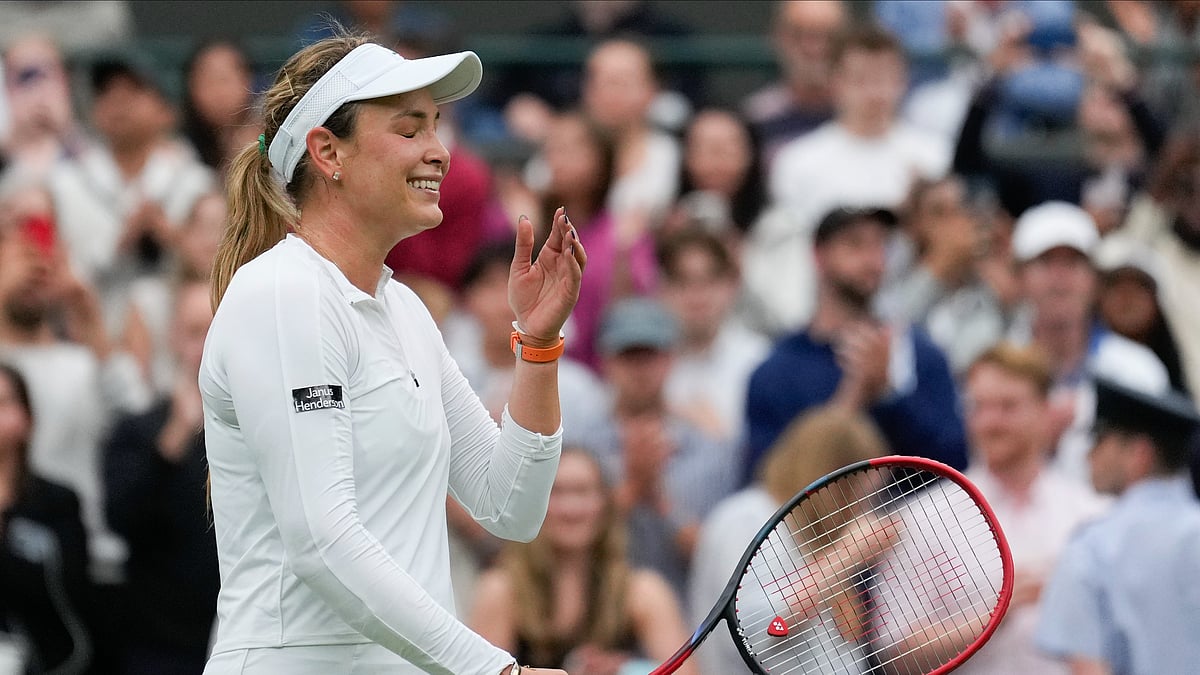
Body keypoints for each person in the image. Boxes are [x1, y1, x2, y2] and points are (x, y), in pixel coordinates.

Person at [200, 33, 585, 675]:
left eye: (437, 127)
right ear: (328, 153)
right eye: (410, 131)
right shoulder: (282, 292)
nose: (439, 152)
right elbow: (323, 544)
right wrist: (496, 670)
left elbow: (510, 506)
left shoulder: (403, 309)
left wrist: (538, 346)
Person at [877, 343, 1107, 674]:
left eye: (1007, 407)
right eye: (978, 407)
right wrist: (1000, 611)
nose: (989, 422)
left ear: (1045, 411)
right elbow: (894, 655)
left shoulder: (1090, 514)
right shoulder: (924, 516)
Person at [744, 207, 969, 484]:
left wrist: (889, 396)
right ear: (818, 255)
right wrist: (854, 395)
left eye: (880, 245)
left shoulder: (921, 352)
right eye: (855, 244)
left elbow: (952, 464)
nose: (872, 260)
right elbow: (770, 481)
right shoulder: (777, 371)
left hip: (902, 522)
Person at [689, 405, 889, 674]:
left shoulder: (814, 534)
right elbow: (760, 631)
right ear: (830, 479)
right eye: (857, 495)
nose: (863, 509)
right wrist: (846, 556)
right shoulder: (745, 519)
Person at [469, 447, 696, 675]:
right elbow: (481, 672)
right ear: (532, 503)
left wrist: (626, 669)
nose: (571, 508)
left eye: (583, 492)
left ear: (605, 504)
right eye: (556, 493)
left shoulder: (641, 591)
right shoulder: (502, 590)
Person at [574, 297, 740, 601]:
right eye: (629, 356)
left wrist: (660, 502)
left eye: (650, 355)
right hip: (596, 613)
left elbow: (721, 560)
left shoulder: (707, 449)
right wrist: (634, 489)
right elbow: (560, 550)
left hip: (685, 620)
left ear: (671, 359)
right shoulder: (580, 445)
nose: (640, 369)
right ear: (606, 361)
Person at [1036, 375, 1200, 674]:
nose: (1088, 454)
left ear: (1139, 454)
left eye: (1099, 439)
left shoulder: (1092, 548)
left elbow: (1089, 668)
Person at [103, 279, 218, 675]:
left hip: (244, 639)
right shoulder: (139, 431)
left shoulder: (263, 429)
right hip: (159, 646)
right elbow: (120, 519)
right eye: (194, 332)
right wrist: (173, 441)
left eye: (216, 330)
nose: (206, 346)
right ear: (172, 338)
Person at [0, 363, 96, 674]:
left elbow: (70, 595)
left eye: (2, 403)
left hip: (48, 660)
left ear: (26, 418)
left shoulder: (57, 503)